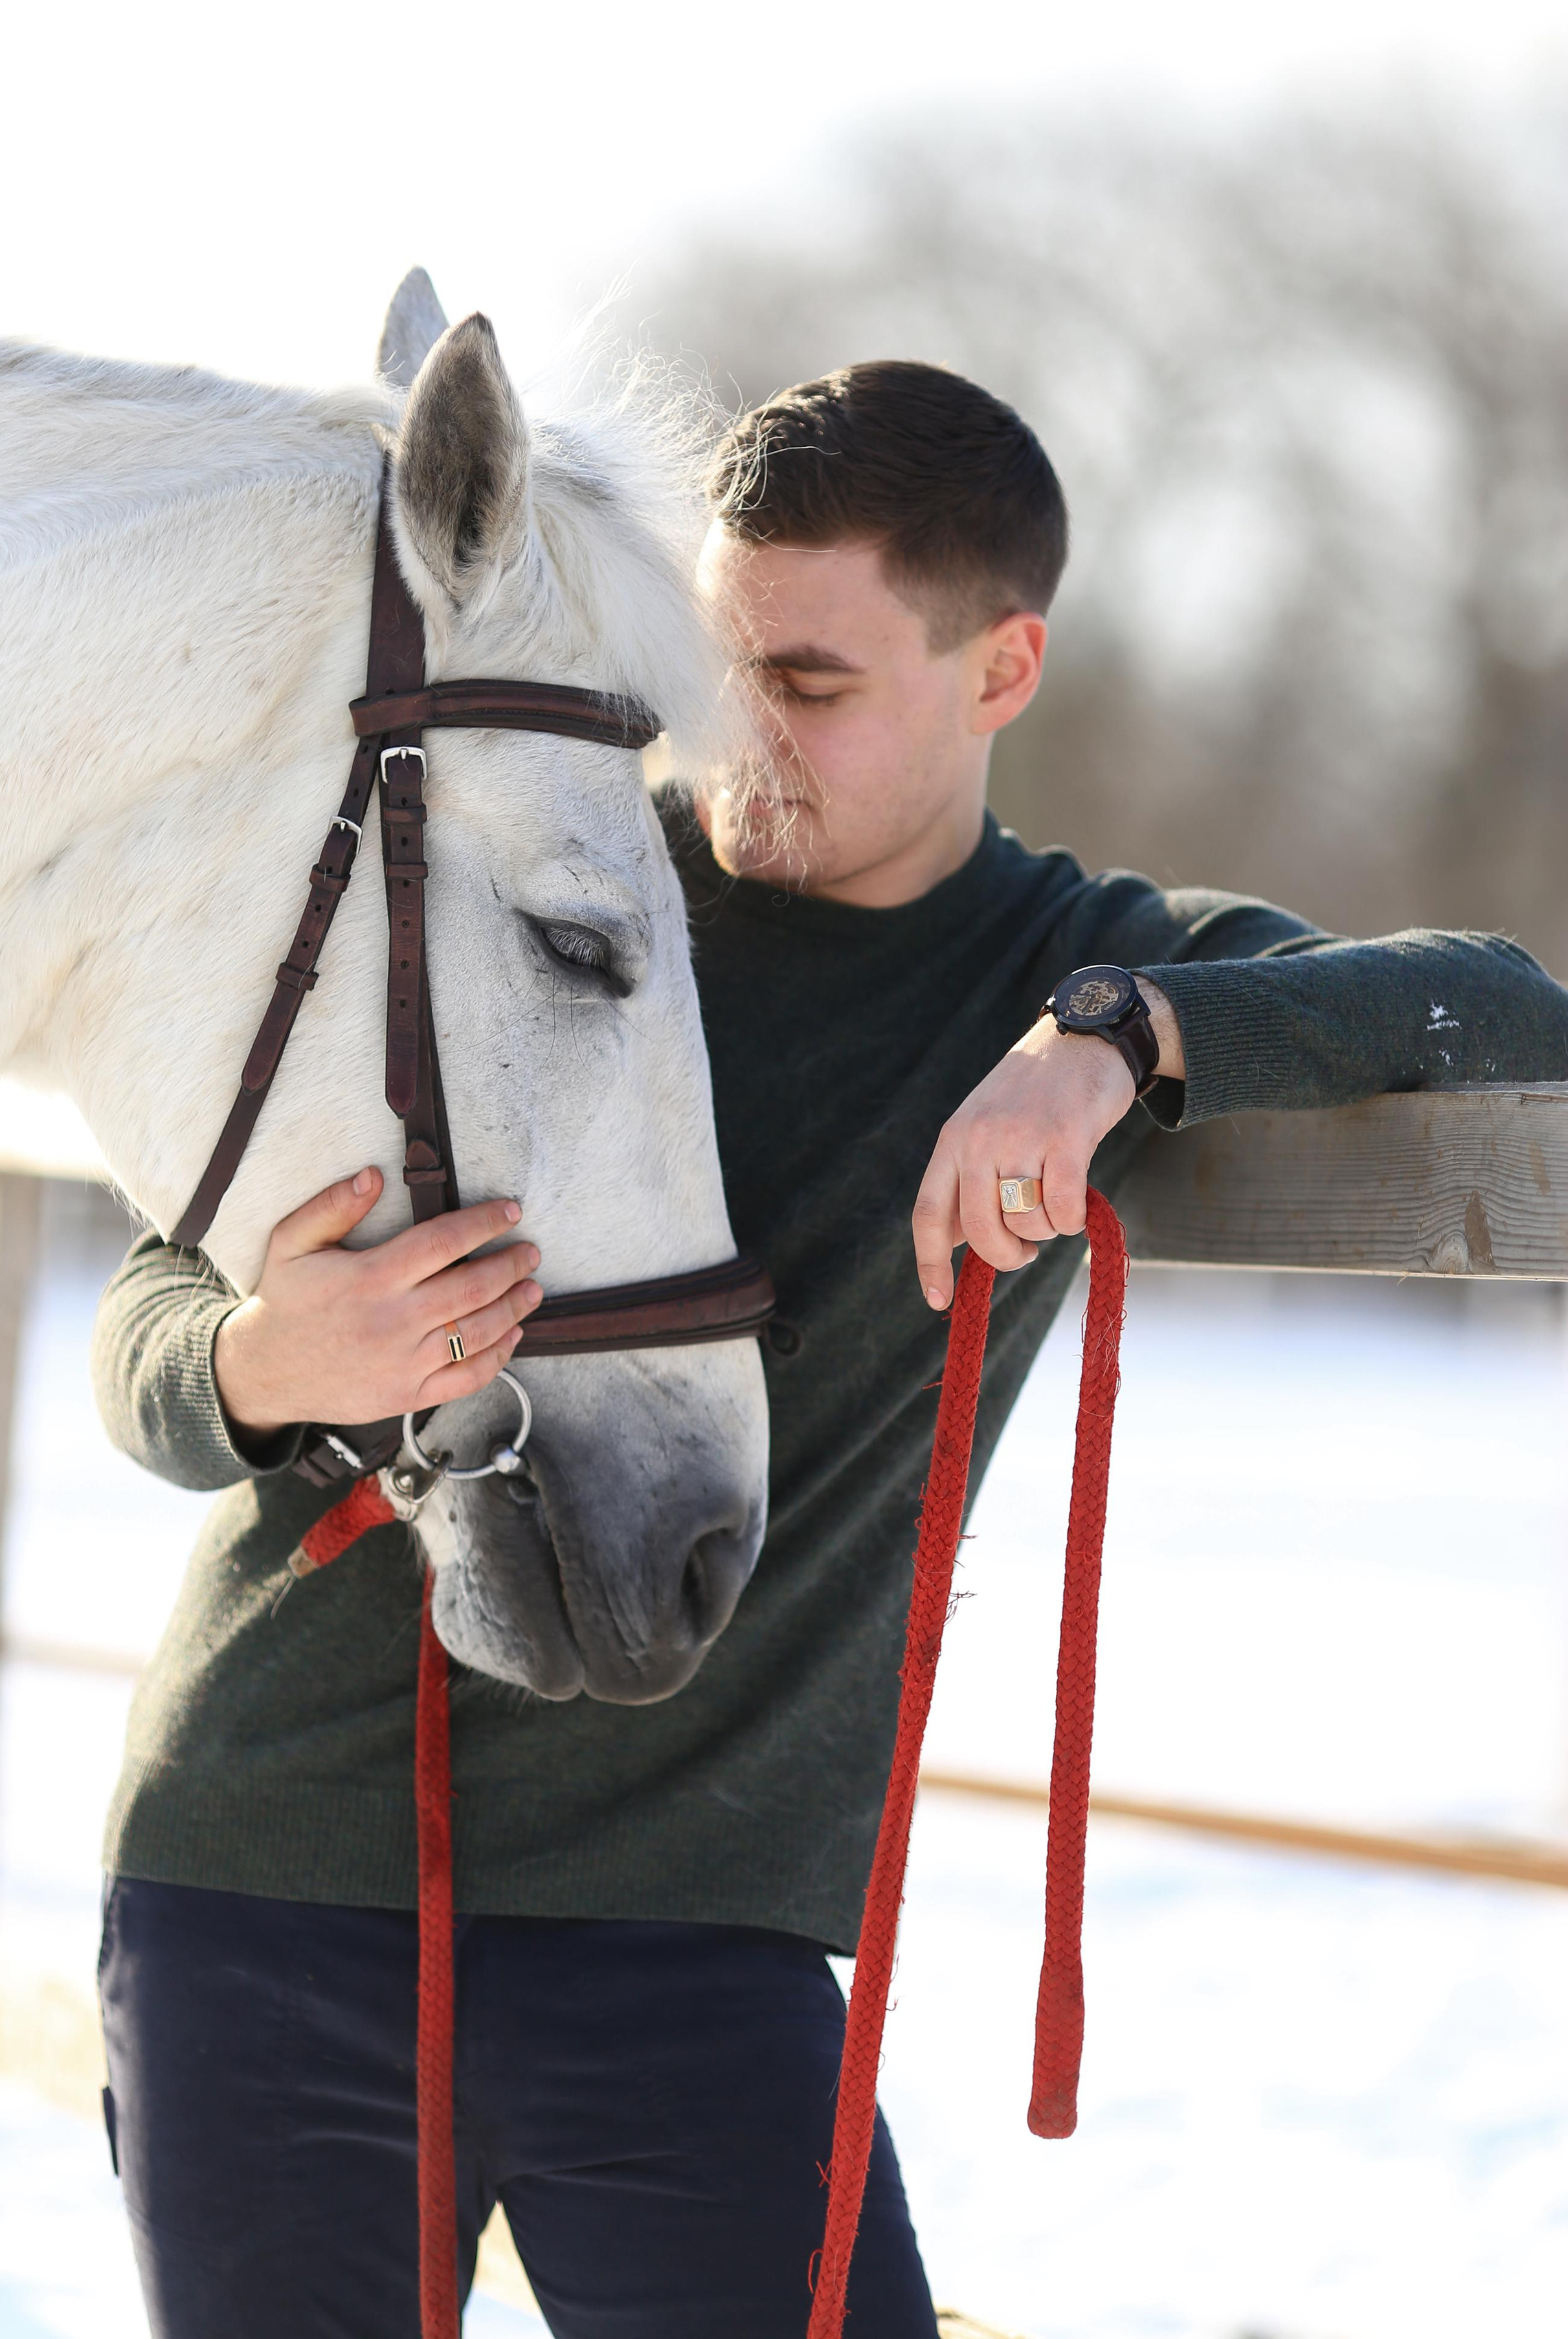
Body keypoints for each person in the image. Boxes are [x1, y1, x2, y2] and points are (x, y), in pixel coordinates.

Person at [91, 360, 1568, 2339]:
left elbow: (1500, 1008)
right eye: (715, 669)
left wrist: (1117, 1038)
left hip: (696, 1940)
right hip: (277, 1871)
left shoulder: (1060, 959)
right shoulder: (542, 869)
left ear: (1002, 667)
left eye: (809, 683)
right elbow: (148, 1315)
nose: (734, 738)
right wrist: (267, 1361)